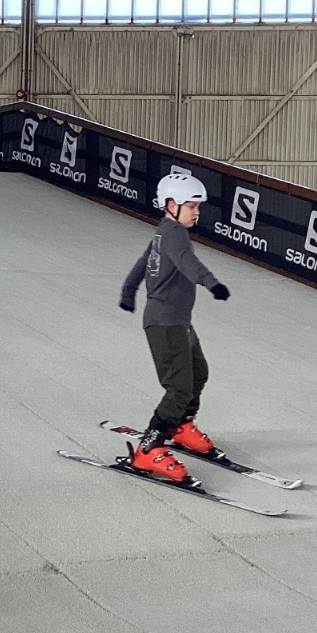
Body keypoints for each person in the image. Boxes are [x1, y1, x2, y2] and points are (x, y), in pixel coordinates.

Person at [119, 172, 230, 482]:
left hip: (179, 321)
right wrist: (212, 283)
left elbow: (142, 263)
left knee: (199, 372)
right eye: (192, 206)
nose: (197, 212)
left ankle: (180, 426)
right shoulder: (174, 235)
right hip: (165, 323)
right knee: (179, 387)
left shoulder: (164, 232)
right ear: (171, 204)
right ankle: (148, 449)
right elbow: (187, 263)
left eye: (198, 206)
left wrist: (128, 292)